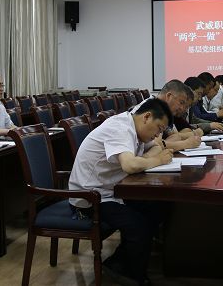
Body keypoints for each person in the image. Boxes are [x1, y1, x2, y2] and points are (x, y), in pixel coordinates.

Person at [68, 98, 174, 285]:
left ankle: (119, 263)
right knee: (139, 225)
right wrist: (157, 160)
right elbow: (130, 165)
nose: (158, 134)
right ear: (147, 117)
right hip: (89, 198)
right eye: (159, 128)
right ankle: (132, 276)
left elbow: (157, 147)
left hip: (112, 191)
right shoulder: (120, 128)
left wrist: (145, 159)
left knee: (157, 207)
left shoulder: (137, 129)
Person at [131, 79, 202, 151]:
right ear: (169, 96)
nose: (182, 108)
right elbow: (156, 145)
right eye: (181, 102)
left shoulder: (165, 111)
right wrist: (186, 144)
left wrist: (166, 144)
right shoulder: (152, 109)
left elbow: (175, 136)